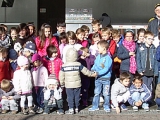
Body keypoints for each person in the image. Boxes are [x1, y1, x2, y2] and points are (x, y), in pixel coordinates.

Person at [59, 48, 96, 114]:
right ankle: (76, 107)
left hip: (68, 85)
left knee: (70, 97)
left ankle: (71, 108)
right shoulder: (78, 65)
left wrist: (62, 84)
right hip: (77, 84)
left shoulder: (64, 66)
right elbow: (86, 71)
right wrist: (92, 74)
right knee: (77, 96)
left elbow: (61, 76)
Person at [88, 40, 112, 113]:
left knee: (106, 93)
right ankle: (95, 106)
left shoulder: (108, 58)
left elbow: (106, 69)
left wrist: (98, 73)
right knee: (97, 92)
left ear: (104, 48)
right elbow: (95, 65)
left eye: (98, 48)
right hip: (98, 79)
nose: (97, 50)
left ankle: (106, 105)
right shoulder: (98, 56)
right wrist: (92, 70)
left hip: (106, 79)